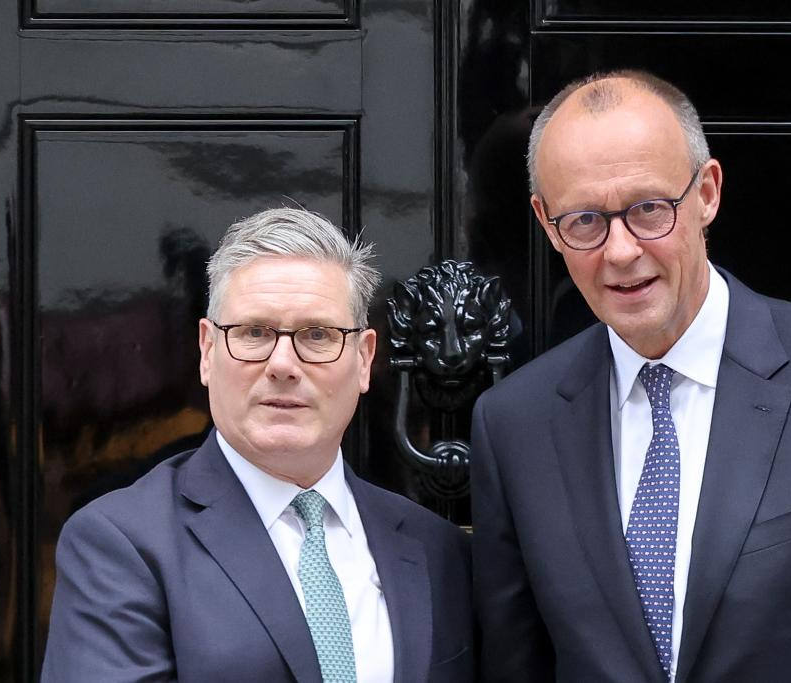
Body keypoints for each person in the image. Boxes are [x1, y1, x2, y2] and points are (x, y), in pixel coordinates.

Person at [470, 70, 791, 682]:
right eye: (584, 221)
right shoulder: (514, 425)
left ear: (707, 193)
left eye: (649, 210)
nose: (621, 251)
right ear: (547, 223)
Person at [42, 208, 473, 683]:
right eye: (254, 333)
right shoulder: (121, 544)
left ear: (364, 359)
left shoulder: (438, 550)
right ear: (207, 352)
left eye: (317, 335)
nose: (283, 364)